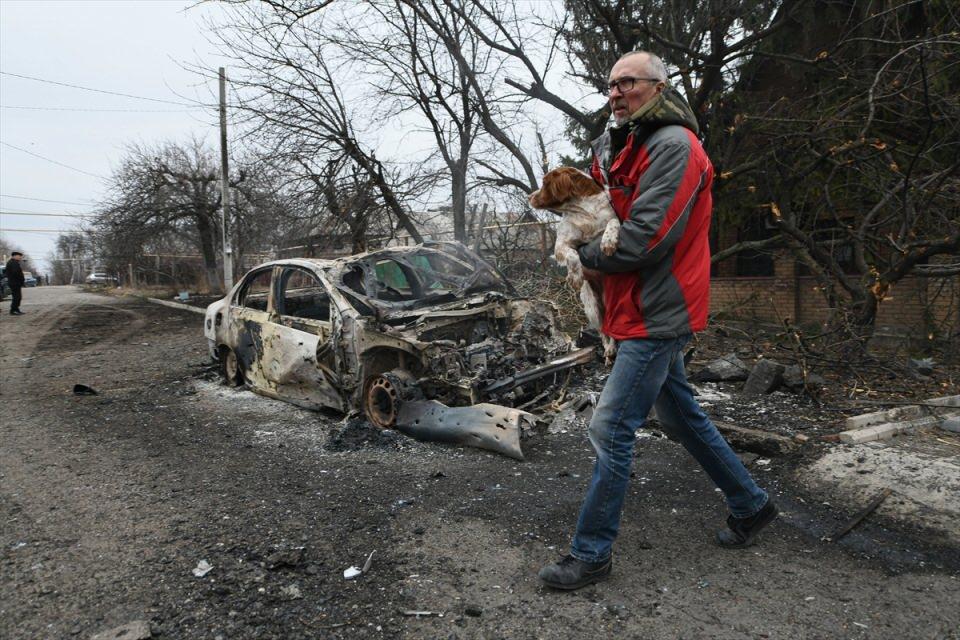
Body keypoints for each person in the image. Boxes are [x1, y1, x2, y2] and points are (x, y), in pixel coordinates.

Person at [538, 51, 777, 591]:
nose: (616, 93)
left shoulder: (675, 146)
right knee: (678, 416)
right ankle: (751, 503)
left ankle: (592, 553)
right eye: (610, 85)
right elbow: (593, 204)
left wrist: (581, 258)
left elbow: (643, 239)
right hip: (631, 304)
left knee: (610, 425)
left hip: (658, 308)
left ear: (659, 86)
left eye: (628, 83)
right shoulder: (620, 144)